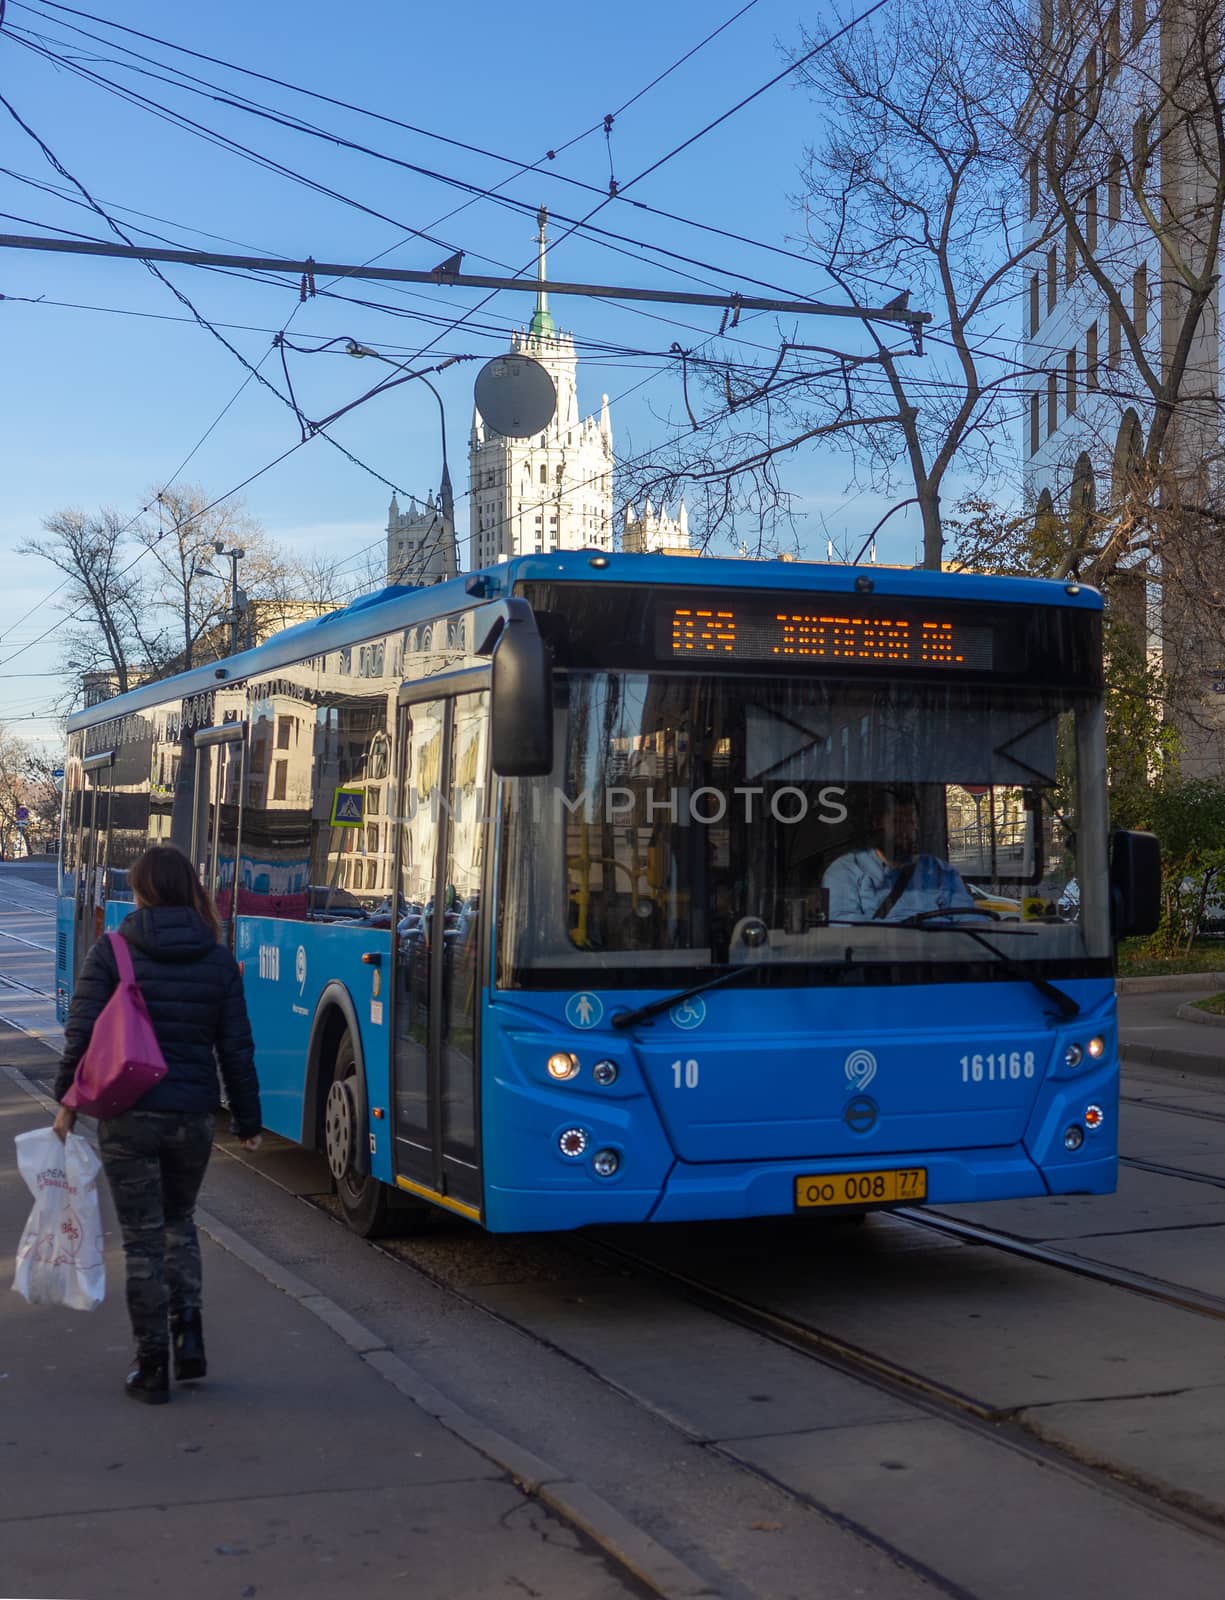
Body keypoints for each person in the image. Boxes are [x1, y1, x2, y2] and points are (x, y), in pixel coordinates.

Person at [52, 845, 262, 1406]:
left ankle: (152, 1366)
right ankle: (188, 1332)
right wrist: (247, 1118)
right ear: (188, 887)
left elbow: (82, 1030)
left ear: (140, 890)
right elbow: (236, 1045)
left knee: (142, 1240)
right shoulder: (216, 957)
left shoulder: (114, 948)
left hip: (128, 1115)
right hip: (192, 1116)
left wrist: (66, 1101)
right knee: (180, 1221)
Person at [822, 785, 976, 923]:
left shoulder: (940, 871)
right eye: (898, 822)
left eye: (910, 823)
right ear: (877, 823)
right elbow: (844, 926)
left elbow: (971, 919)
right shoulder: (846, 871)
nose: (906, 832)